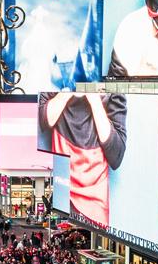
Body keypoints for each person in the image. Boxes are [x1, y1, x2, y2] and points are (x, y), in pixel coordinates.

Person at [39, 93, 128, 227]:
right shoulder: (59, 80)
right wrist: (67, 91)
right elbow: (43, 120)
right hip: (64, 189)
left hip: (94, 199)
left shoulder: (113, 90)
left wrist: (95, 101)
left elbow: (116, 156)